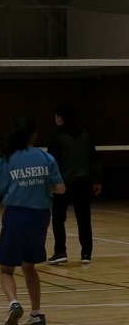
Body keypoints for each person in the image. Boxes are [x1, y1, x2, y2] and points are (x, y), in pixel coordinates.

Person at [0, 116, 65, 325]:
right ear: (34, 135)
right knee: (29, 266)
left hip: (16, 215)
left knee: (6, 269)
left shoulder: (7, 158)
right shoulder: (46, 157)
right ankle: (36, 313)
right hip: (40, 216)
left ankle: (14, 304)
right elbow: (61, 189)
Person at [47, 105, 102, 265]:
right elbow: (95, 159)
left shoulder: (57, 136)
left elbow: (52, 162)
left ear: (60, 117)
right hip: (83, 184)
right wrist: (97, 180)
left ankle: (60, 252)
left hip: (62, 184)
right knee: (84, 219)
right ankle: (86, 254)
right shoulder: (86, 135)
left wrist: (51, 183)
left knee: (58, 219)